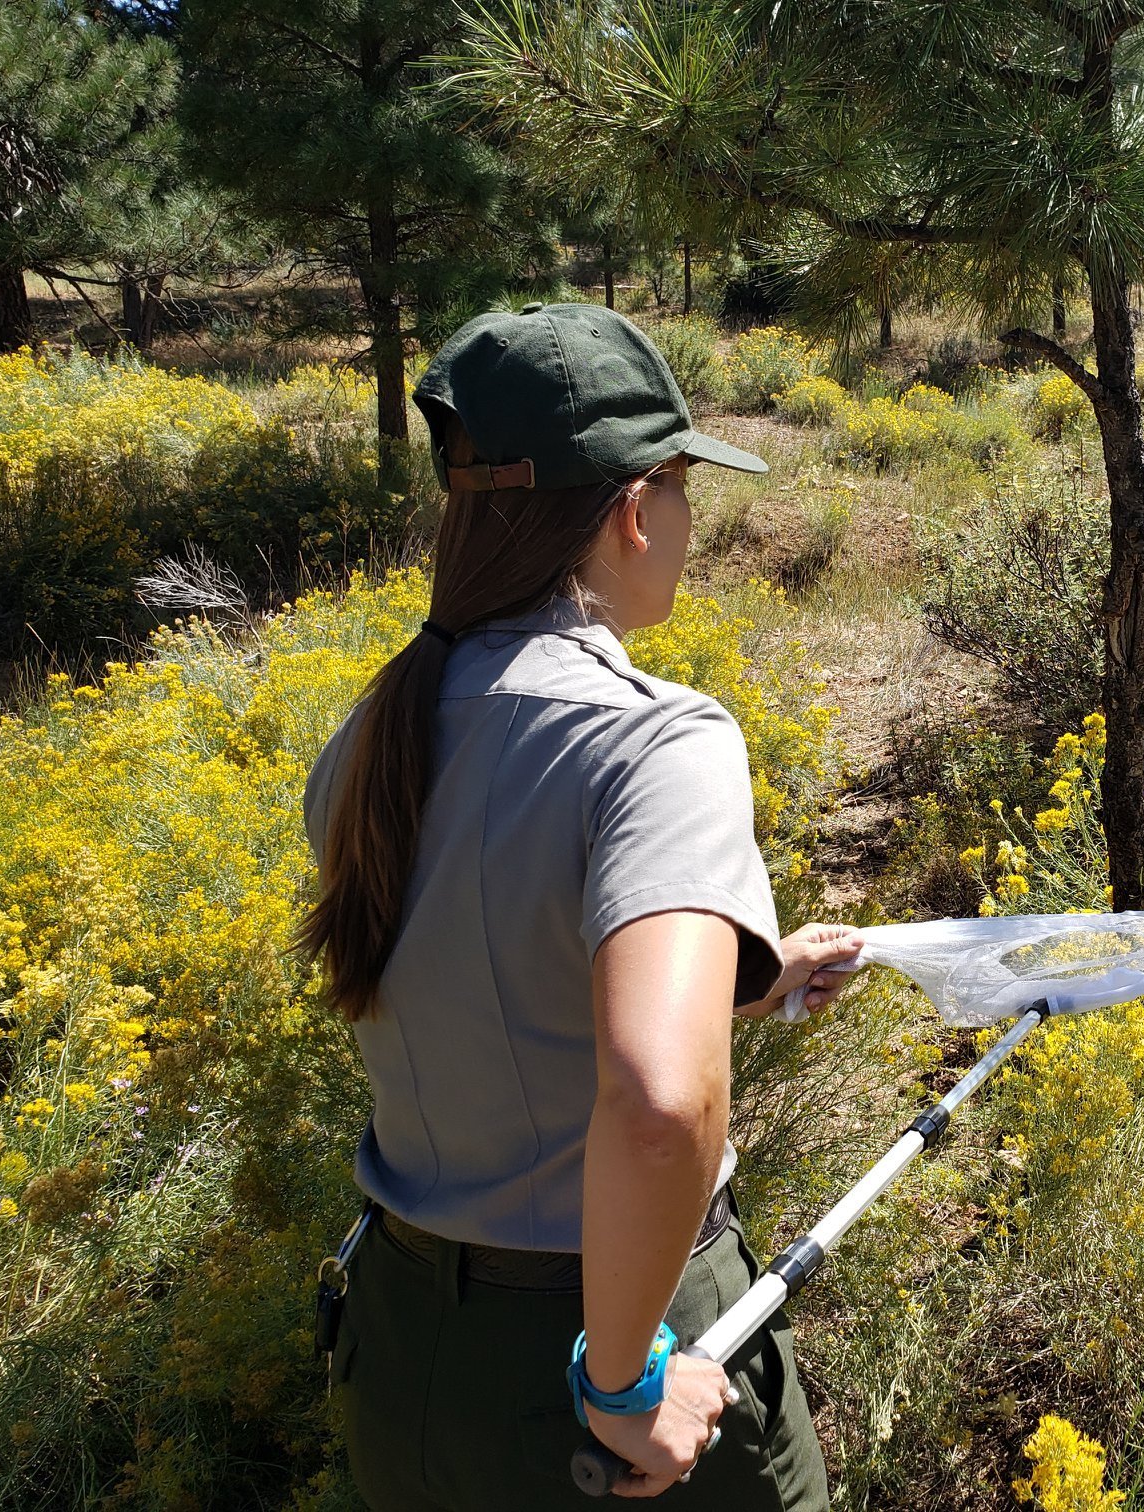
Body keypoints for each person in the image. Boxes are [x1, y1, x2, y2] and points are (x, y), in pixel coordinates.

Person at [294, 301, 862, 1509]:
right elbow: (657, 1108)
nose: (689, 524)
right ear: (631, 507)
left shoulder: (368, 743)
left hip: (407, 1354)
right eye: (683, 490)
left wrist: (750, 979)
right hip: (604, 1343)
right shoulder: (656, 739)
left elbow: (490, 990)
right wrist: (624, 1388)